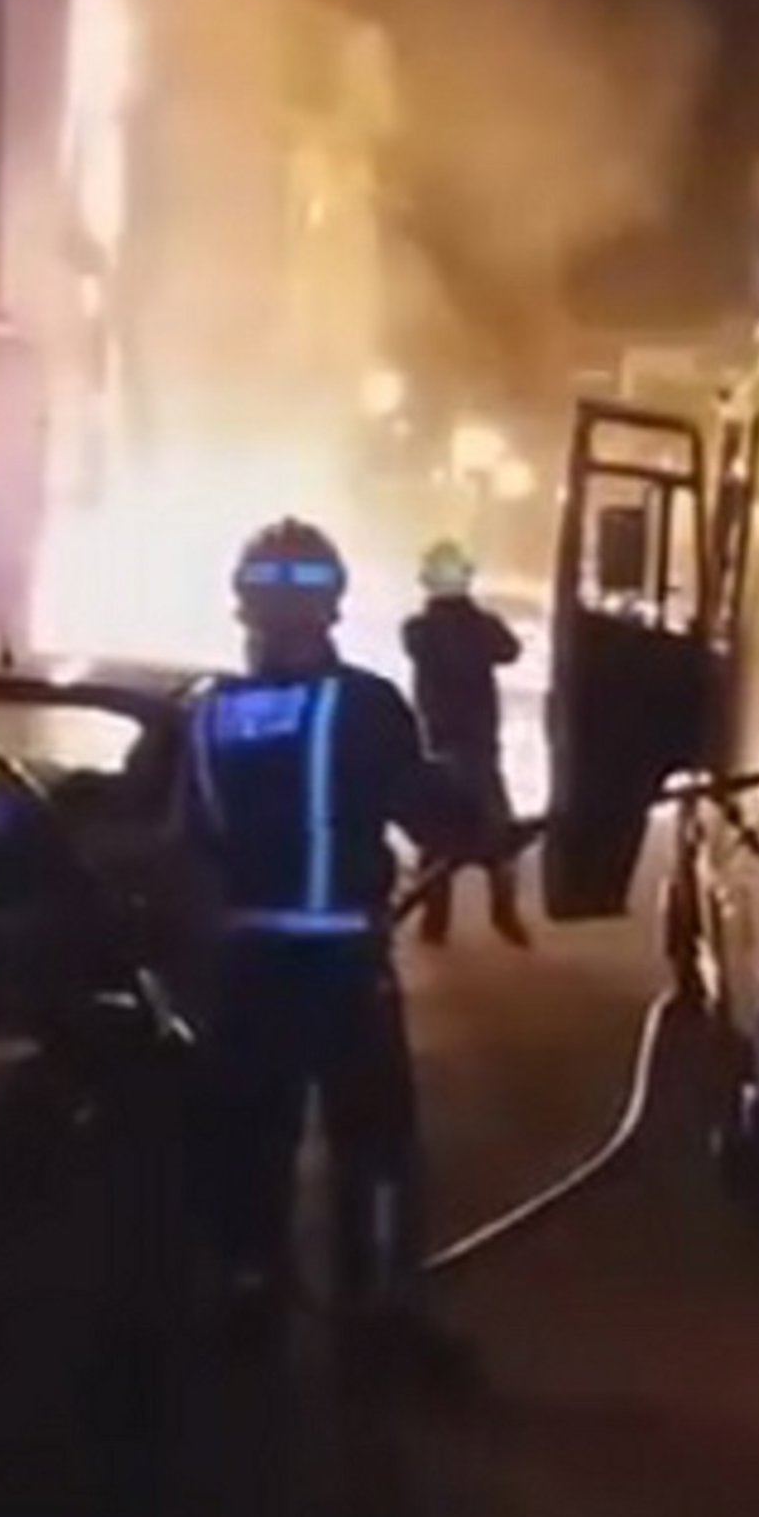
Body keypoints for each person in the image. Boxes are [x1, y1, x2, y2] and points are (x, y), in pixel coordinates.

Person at [179, 518, 475, 1368]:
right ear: (333, 604)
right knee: (374, 1147)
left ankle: (246, 1298)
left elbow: (184, 837)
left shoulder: (207, 716)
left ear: (242, 604)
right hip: (342, 967)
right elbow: (428, 809)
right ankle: (377, 1312)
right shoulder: (363, 705)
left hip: (244, 970)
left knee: (248, 1146)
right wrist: (475, 822)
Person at [401, 540, 533, 948]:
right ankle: (492, 915)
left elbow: (510, 651)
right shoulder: (430, 628)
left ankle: (444, 921)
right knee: (491, 834)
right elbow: (504, 650)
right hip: (460, 743)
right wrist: (466, 613)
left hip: (454, 743)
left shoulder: (423, 628)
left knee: (449, 838)